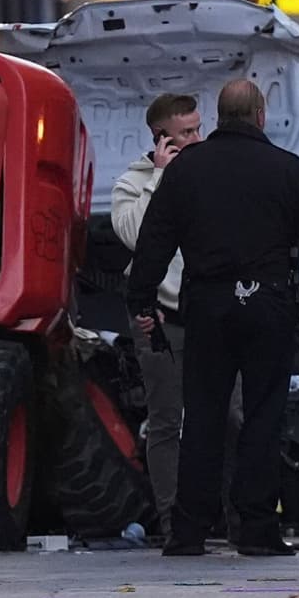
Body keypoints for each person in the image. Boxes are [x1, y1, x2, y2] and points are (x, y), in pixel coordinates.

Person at [126, 79, 299, 557]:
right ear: (260, 115)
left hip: (207, 306)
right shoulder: (286, 168)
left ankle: (189, 530)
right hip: (267, 303)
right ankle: (256, 528)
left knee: (201, 417)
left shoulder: (186, 172)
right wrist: (294, 226)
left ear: (219, 116)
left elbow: (153, 242)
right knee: (263, 416)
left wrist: (141, 302)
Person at [110, 93, 204, 538]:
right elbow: (135, 235)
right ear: (161, 137)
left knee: (231, 415)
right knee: (166, 419)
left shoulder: (208, 172)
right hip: (159, 317)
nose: (197, 138)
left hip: (207, 315)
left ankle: (226, 515)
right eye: (186, 132)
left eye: (199, 128)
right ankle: (172, 521)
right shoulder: (133, 183)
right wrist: (161, 177)